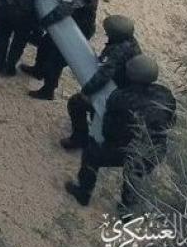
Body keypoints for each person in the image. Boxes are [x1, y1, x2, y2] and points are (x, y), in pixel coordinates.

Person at [64, 55, 176, 215]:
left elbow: (109, 129)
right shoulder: (165, 94)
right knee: (135, 176)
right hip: (155, 150)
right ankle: (127, 211)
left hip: (129, 148)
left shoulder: (120, 98)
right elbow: (171, 122)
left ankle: (83, 193)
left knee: (91, 154)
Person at [21, 0, 99, 100]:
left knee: (55, 61)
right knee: (45, 45)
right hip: (69, 23)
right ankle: (38, 70)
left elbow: (62, 10)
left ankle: (48, 90)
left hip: (77, 31)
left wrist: (43, 22)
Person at [60, 15, 141, 149]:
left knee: (77, 103)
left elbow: (104, 75)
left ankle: (79, 138)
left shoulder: (118, 51)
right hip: (124, 91)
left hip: (115, 92)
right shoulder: (130, 43)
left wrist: (86, 90)